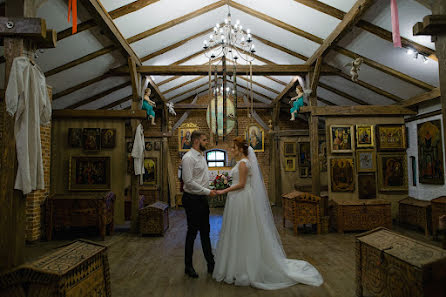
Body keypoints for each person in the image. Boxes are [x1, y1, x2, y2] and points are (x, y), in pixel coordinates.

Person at [213, 136, 323, 289]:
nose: (231, 150)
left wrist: (224, 190)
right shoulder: (241, 163)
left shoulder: (244, 164)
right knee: (236, 230)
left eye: (233, 147)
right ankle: (237, 264)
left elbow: (242, 184)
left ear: (239, 149)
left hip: (242, 199)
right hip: (237, 199)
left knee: (243, 230)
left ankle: (244, 267)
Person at [181, 131, 217, 278]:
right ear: (196, 141)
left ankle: (211, 264)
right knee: (192, 233)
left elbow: (202, 178)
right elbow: (188, 182)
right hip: (191, 199)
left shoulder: (201, 156)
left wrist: (210, 188)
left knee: (206, 232)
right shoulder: (188, 158)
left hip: (201, 199)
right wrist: (207, 192)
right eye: (204, 140)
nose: (206, 142)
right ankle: (188, 266)